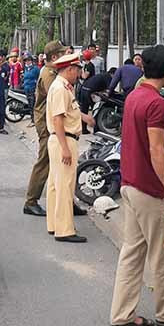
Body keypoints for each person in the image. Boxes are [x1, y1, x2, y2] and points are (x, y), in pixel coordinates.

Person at [110, 45, 164, 326]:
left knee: (132, 253)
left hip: (129, 184)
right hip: (149, 190)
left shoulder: (134, 96)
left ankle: (122, 312)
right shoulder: (157, 104)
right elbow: (158, 151)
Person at [45, 52, 96, 242]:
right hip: (63, 140)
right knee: (65, 185)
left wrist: (84, 117)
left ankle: (54, 224)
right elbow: (58, 119)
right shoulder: (60, 88)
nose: (78, 74)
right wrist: (65, 147)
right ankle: (65, 230)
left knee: (55, 185)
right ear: (69, 69)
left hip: (61, 139)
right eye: (76, 70)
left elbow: (69, 111)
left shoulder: (64, 87)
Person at [23, 41, 70, 217]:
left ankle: (66, 201)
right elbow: (58, 99)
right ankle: (31, 201)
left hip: (51, 121)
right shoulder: (50, 74)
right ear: (55, 57)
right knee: (45, 161)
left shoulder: (54, 72)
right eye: (63, 54)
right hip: (46, 122)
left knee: (62, 162)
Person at [22, 53, 40, 124]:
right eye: (26, 60)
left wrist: (37, 89)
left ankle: (34, 120)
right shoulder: (25, 68)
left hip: (33, 88)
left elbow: (39, 79)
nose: (27, 62)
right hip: (26, 88)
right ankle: (32, 119)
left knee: (33, 105)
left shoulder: (35, 69)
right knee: (29, 105)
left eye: (29, 60)